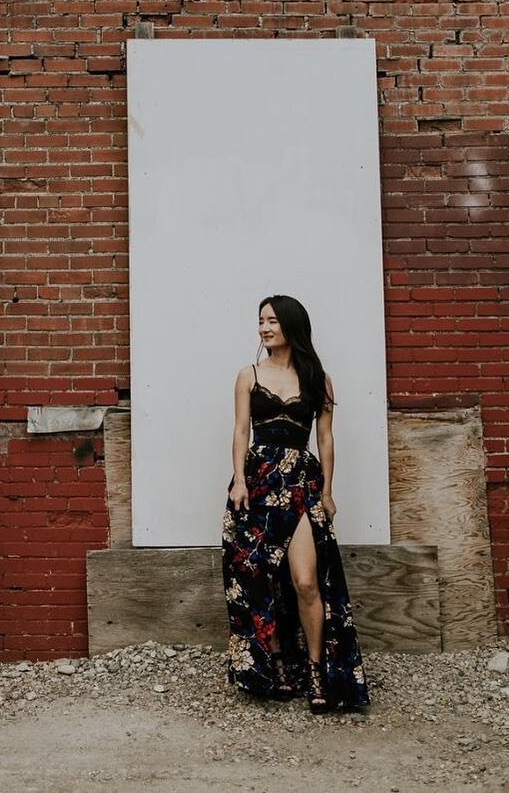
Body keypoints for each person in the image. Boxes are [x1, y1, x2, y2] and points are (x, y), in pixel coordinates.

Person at [221, 294, 368, 713]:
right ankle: (278, 663)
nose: (264, 328)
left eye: (272, 321)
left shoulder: (318, 378)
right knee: (262, 580)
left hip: (301, 483)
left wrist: (327, 491)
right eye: (260, 321)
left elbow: (325, 438)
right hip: (259, 482)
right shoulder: (248, 375)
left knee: (305, 582)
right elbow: (240, 431)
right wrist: (238, 482)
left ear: (291, 326)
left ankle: (317, 668)